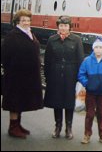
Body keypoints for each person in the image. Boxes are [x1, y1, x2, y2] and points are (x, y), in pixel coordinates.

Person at [1, 9, 43, 138]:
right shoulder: (12, 36)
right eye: (23, 20)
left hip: (27, 75)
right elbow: (4, 55)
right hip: (15, 75)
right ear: (17, 22)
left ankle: (18, 125)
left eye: (28, 20)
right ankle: (13, 127)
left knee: (21, 100)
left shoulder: (29, 33)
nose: (26, 22)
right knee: (15, 101)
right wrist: (12, 69)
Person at [43, 15, 84, 140]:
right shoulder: (52, 39)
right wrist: (47, 75)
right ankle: (58, 126)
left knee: (69, 102)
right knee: (57, 101)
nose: (63, 28)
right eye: (61, 26)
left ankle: (69, 128)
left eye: (66, 26)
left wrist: (79, 78)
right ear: (58, 27)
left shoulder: (76, 40)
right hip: (55, 74)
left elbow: (80, 60)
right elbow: (47, 59)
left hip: (71, 74)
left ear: (70, 27)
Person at [78, 38, 102, 144]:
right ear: (93, 48)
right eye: (96, 47)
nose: (98, 50)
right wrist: (88, 84)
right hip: (91, 92)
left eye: (100, 47)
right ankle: (87, 134)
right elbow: (81, 74)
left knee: (101, 114)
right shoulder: (87, 61)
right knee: (89, 114)